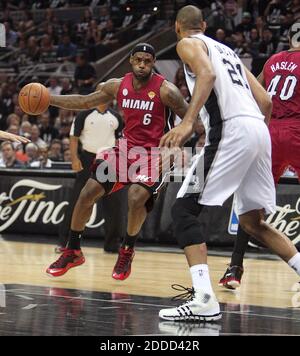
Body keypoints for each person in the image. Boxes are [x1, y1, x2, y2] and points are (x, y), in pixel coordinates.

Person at [158, 5, 300, 322]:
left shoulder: (187, 43)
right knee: (252, 223)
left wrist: (187, 123)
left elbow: (206, 74)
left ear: (178, 27)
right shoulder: (229, 51)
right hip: (259, 130)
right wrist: (255, 136)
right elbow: (265, 100)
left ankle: (204, 299)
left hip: (232, 129)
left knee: (183, 209)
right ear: (204, 24)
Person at [43, 43, 191, 279]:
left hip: (155, 154)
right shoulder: (117, 85)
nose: (142, 64)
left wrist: (175, 145)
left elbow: (193, 122)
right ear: (131, 60)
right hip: (125, 150)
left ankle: (127, 249)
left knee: (135, 197)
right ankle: (73, 250)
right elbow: (83, 101)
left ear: (153, 63)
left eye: (148, 61)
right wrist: (49, 99)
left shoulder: (167, 90)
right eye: (138, 60)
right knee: (87, 193)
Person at [219, 20, 300, 290]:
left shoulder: (273, 60)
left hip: (268, 129)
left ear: (289, 38)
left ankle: (234, 268)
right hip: (296, 128)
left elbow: (258, 94)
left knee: (249, 206)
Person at [57, 98, 125, 254]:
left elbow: (120, 140)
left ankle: (112, 244)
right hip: (88, 158)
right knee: (77, 200)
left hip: (109, 160)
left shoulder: (116, 117)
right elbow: (74, 137)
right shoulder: (84, 115)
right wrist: (74, 158)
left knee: (114, 203)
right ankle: (66, 242)